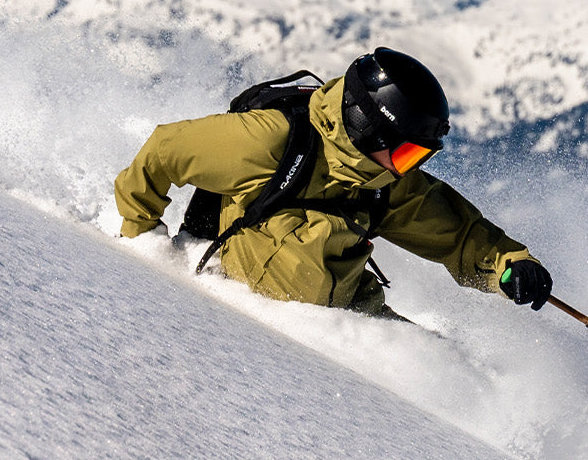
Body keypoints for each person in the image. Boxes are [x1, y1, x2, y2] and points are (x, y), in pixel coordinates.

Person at [114, 47, 552, 317]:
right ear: (368, 127)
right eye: (405, 152)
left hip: (344, 321)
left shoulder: (383, 179)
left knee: (457, 386)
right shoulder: (272, 141)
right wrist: (144, 246)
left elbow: (459, 235)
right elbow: (164, 150)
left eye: (419, 157)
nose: (406, 168)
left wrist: (511, 266)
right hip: (244, 307)